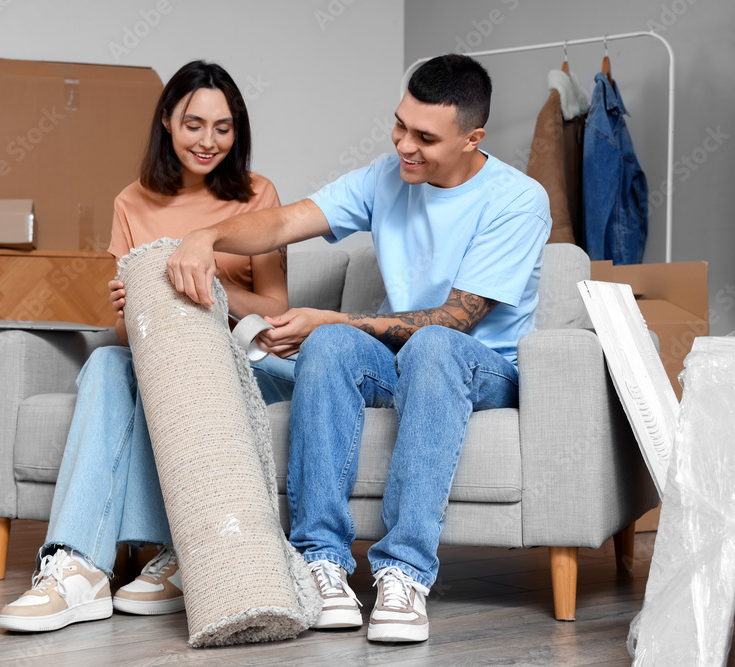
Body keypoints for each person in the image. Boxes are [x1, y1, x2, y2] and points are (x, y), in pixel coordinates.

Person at [166, 54, 550, 644]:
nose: (404, 145)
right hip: (406, 362)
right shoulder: (385, 177)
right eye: (400, 125)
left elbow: (457, 319)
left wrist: (336, 315)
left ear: (473, 138)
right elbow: (284, 222)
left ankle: (403, 574)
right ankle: (320, 563)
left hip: (480, 367)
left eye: (425, 137)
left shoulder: (518, 200)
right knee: (332, 344)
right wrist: (206, 236)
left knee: (433, 347)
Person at [0, 60, 292, 633]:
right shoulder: (131, 202)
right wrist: (132, 306)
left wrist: (203, 276)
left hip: (244, 362)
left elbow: (278, 311)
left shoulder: (259, 194)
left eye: (224, 128)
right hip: (161, 362)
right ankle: (79, 568)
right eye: (194, 124)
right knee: (109, 361)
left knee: (136, 371)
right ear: (166, 122)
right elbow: (130, 338)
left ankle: (178, 552)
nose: (209, 141)